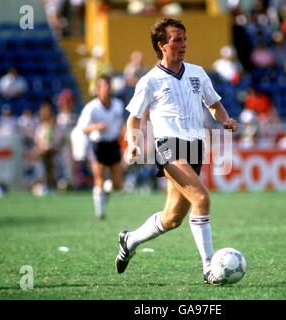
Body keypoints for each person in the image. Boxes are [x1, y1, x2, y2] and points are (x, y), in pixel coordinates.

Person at [114, 18, 238, 285]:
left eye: (184, 38)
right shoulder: (149, 81)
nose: (183, 44)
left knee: (172, 219)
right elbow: (134, 117)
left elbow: (214, 104)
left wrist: (224, 120)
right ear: (162, 45)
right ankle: (209, 269)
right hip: (169, 147)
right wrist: (134, 143)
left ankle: (129, 240)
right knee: (202, 200)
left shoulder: (197, 72)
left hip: (195, 148)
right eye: (177, 40)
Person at [75, 75, 125, 219]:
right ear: (98, 89)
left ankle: (105, 190)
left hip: (113, 144)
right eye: (103, 86)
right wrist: (96, 127)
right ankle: (100, 212)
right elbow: (82, 127)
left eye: (108, 86)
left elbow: (120, 123)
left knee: (117, 184)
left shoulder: (118, 104)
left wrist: (123, 131)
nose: (107, 89)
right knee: (99, 177)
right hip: (99, 144)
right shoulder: (92, 107)